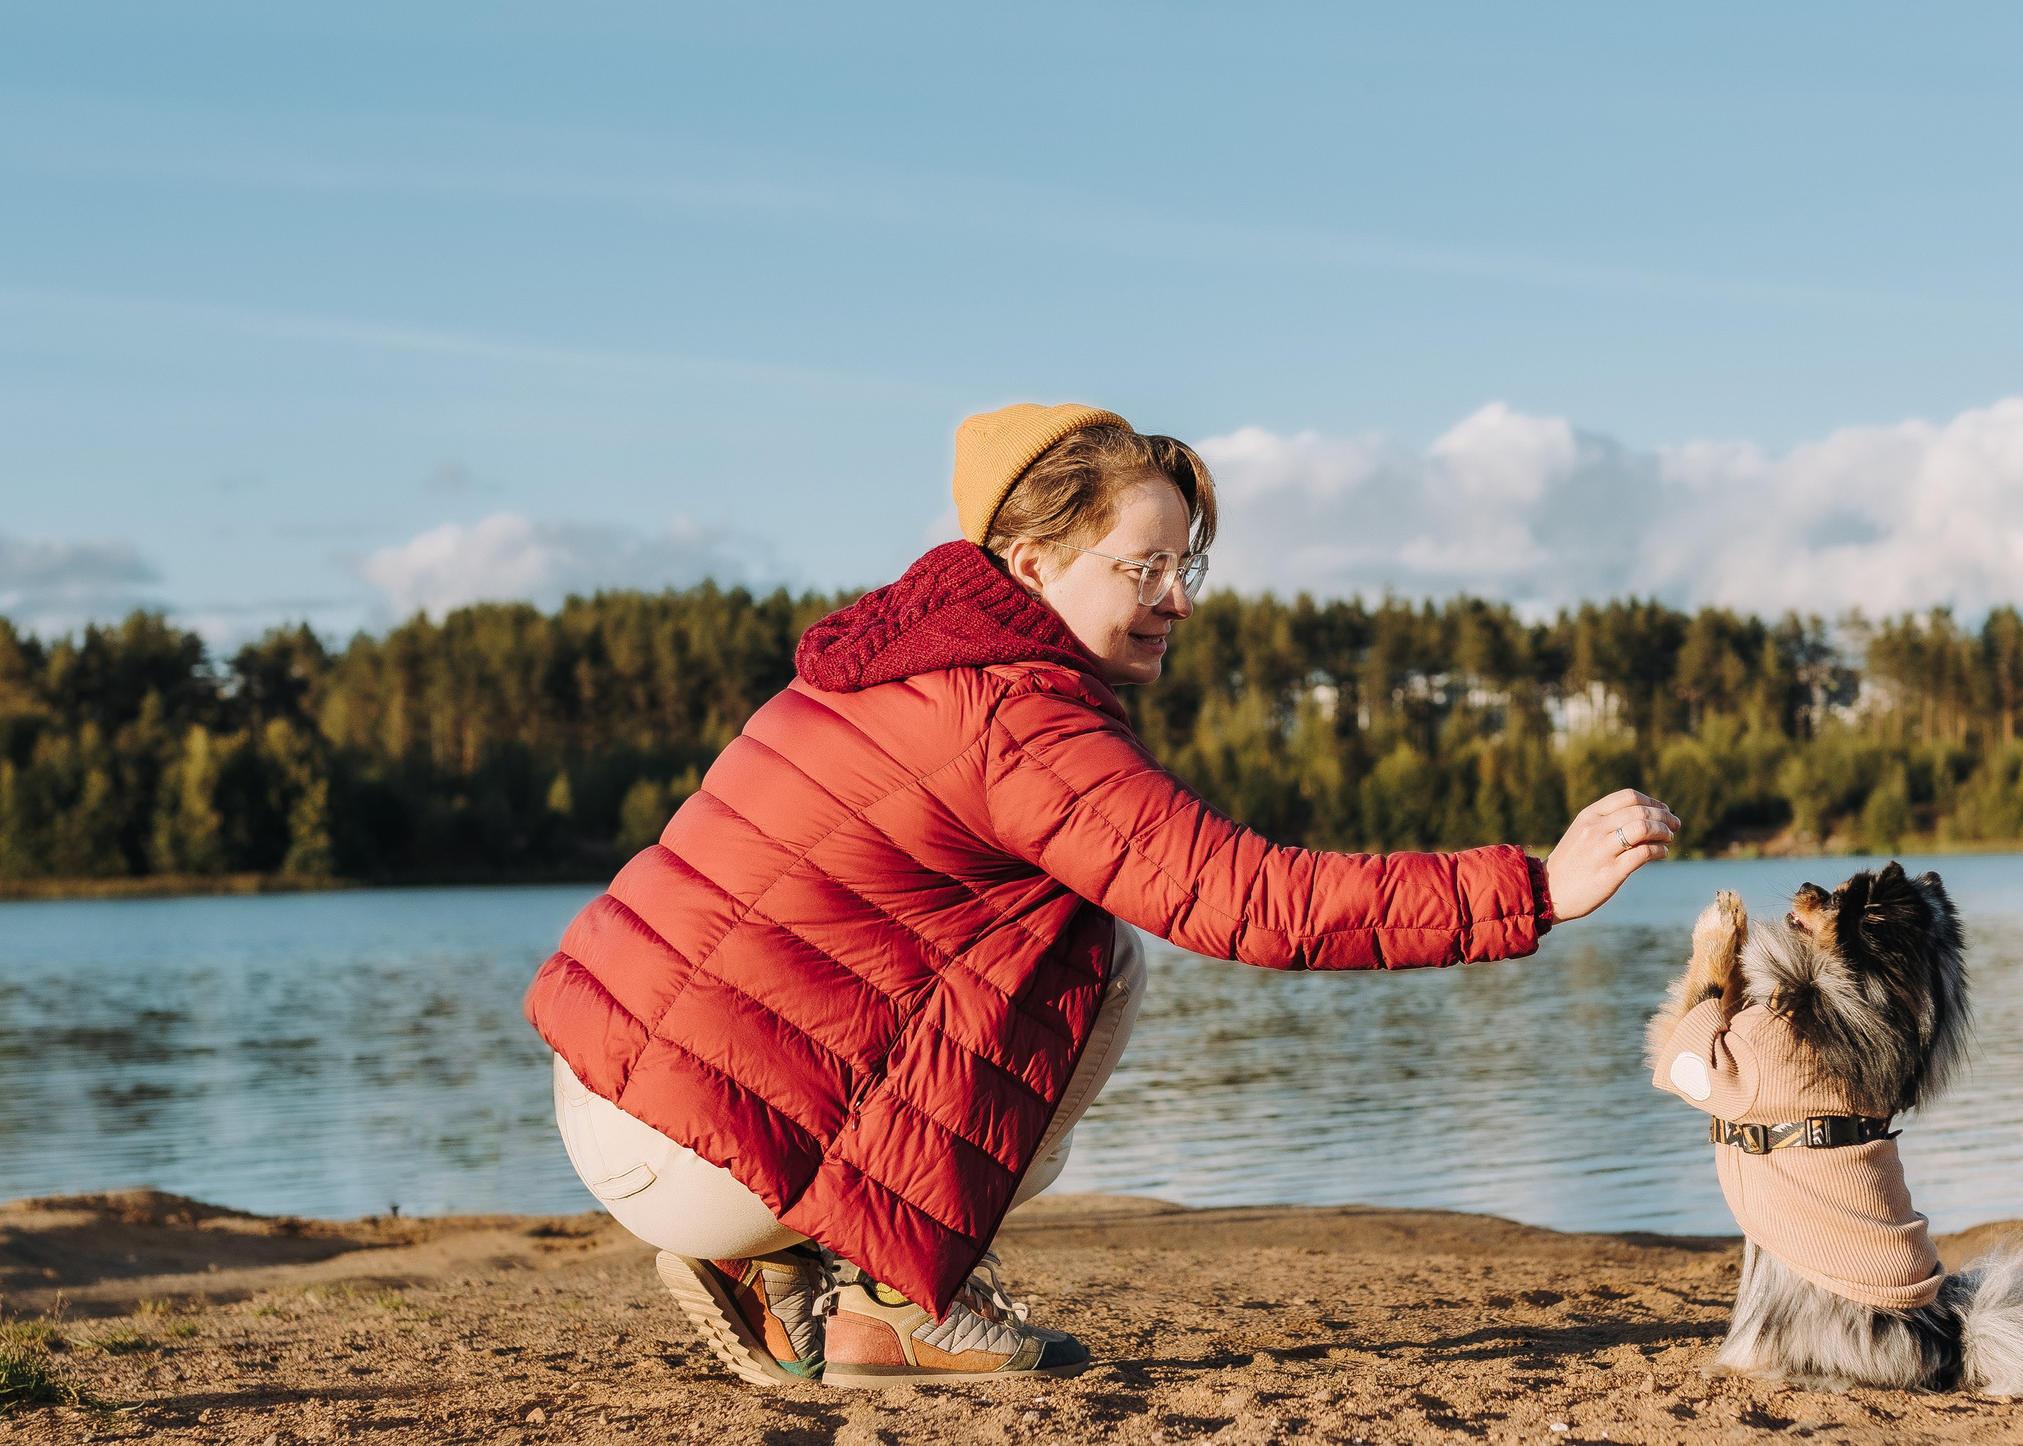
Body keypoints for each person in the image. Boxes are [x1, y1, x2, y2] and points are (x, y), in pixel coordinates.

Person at [525, 403, 1679, 1388]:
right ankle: (885, 1299)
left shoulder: (894, 656)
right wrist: (1530, 888)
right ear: (1031, 563)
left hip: (607, 1092)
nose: (1177, 598)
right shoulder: (1012, 715)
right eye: (1144, 566)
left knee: (1018, 922)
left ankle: (783, 1262)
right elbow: (1246, 899)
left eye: (1190, 567)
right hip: (694, 1148)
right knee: (1096, 952)